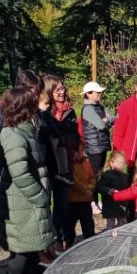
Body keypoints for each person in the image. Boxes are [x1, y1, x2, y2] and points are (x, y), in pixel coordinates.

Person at [0, 87, 55, 274]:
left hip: (28, 201)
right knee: (20, 252)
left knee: (31, 249)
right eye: (33, 104)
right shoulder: (11, 135)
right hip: (20, 202)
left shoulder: (27, 131)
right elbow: (19, 173)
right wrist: (39, 196)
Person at [0, 69, 43, 187]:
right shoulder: (1, 110)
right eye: (34, 91)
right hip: (6, 169)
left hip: (30, 167)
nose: (37, 96)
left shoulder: (34, 111)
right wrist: (7, 154)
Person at [41, 75, 79, 251]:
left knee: (63, 204)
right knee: (46, 204)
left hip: (65, 164)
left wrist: (60, 140)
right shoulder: (43, 112)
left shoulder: (70, 112)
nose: (62, 92)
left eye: (63, 88)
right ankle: (51, 240)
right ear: (49, 92)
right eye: (58, 90)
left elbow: (75, 138)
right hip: (48, 164)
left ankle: (65, 237)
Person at [81, 81, 115, 214]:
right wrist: (106, 121)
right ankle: (92, 202)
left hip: (102, 146)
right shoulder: (88, 109)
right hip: (93, 148)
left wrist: (107, 120)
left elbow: (113, 118)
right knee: (94, 176)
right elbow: (101, 125)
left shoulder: (100, 107)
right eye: (97, 92)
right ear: (89, 94)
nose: (100, 94)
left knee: (100, 175)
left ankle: (97, 201)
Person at [67, 146, 97, 241]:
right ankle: (68, 240)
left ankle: (90, 239)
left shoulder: (86, 163)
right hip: (73, 200)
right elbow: (73, 181)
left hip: (85, 200)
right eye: (77, 151)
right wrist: (85, 190)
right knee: (70, 223)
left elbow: (92, 178)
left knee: (88, 222)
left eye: (82, 151)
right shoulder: (70, 164)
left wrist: (90, 188)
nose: (80, 153)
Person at [97, 150, 130, 230]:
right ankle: (110, 239)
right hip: (110, 204)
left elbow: (128, 189)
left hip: (121, 205)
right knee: (110, 224)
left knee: (123, 223)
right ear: (112, 163)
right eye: (119, 163)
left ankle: (122, 238)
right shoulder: (107, 175)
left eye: (123, 163)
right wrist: (109, 190)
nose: (121, 165)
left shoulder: (125, 176)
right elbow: (100, 187)